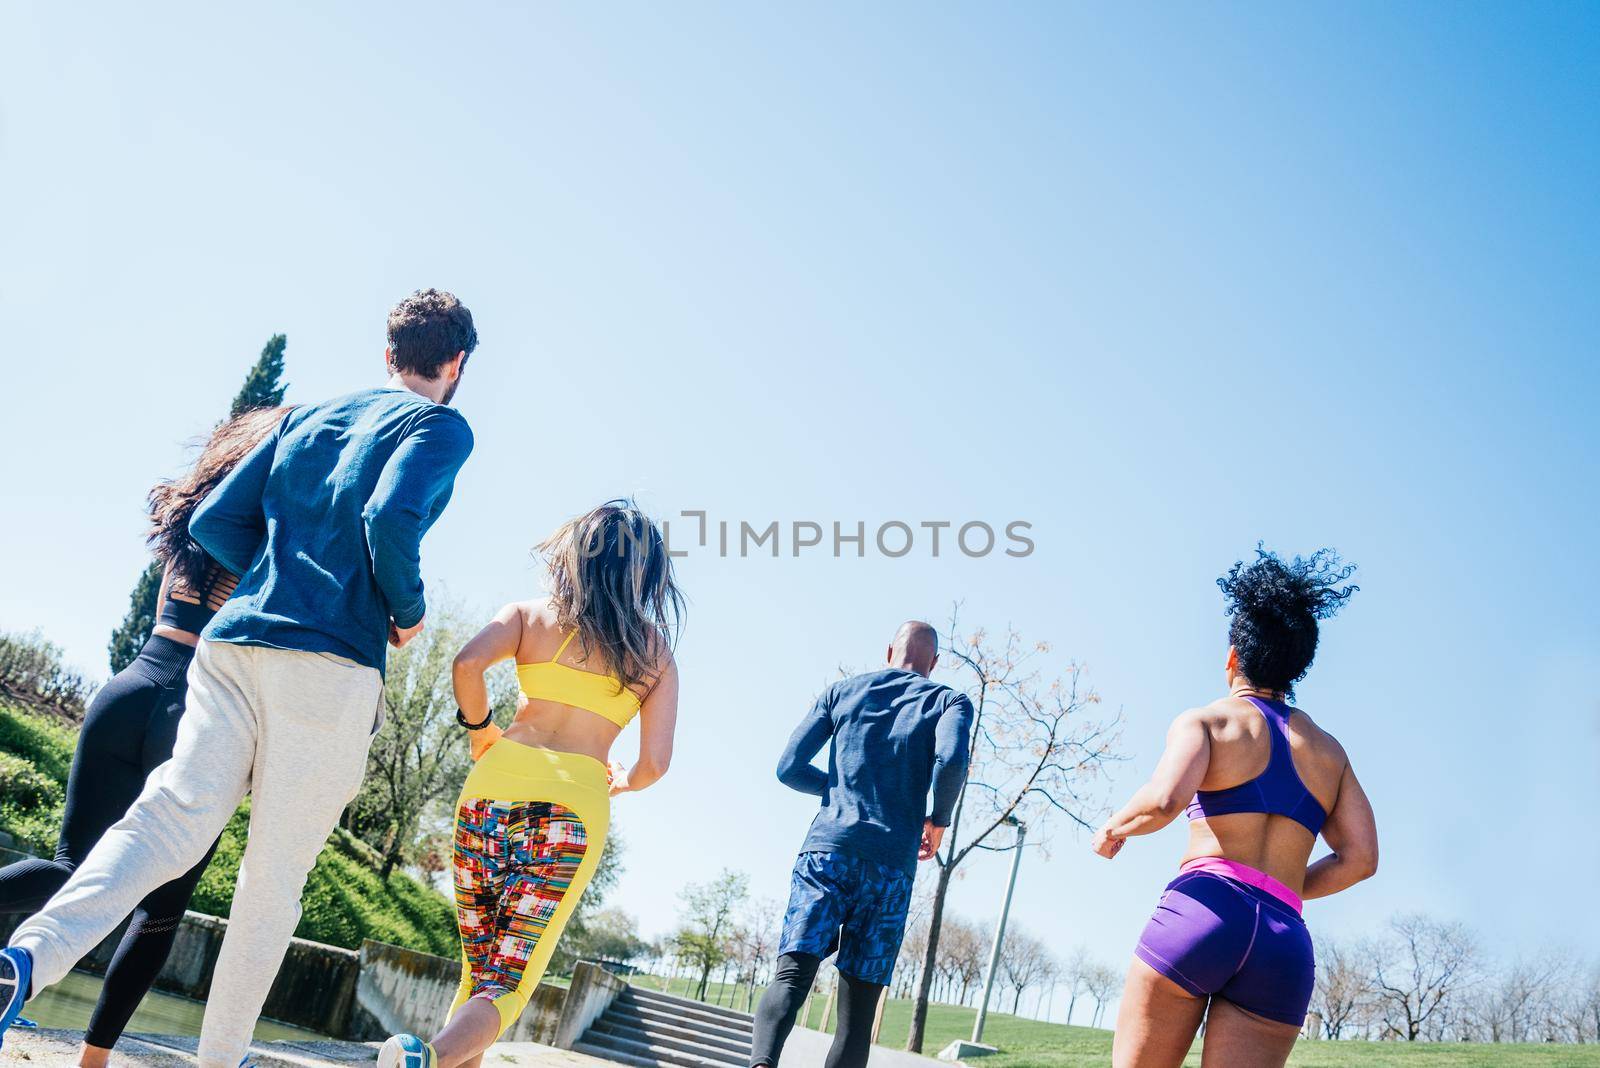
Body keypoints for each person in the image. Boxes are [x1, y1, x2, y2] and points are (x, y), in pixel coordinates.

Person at [1, 289, 480, 1067]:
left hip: (231, 649)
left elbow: (214, 521)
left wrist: (278, 565)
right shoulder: (439, 425)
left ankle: (26, 958)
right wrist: (407, 608)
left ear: (387, 355)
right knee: (269, 883)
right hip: (329, 663)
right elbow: (392, 517)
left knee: (160, 825)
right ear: (456, 364)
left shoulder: (304, 418)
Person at [0, 406, 285, 1066]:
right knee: (159, 909)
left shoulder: (191, 515)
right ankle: (93, 1060)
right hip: (198, 713)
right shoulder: (272, 538)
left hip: (129, 689)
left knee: (72, 867)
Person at [379, 500, 683, 1068]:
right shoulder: (654, 652)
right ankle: (425, 1059)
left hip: (492, 790)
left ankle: (430, 1058)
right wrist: (623, 782)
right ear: (645, 573)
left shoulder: (528, 614)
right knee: (508, 981)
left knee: (480, 969)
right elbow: (656, 764)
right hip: (572, 808)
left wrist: (480, 732)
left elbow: (467, 664)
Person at [1092, 547, 1378, 1068]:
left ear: (1232, 657)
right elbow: (1361, 859)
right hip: (1284, 943)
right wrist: (1287, 884)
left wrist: (1114, 827)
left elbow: (1164, 800)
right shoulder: (1331, 754)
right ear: (1298, 667)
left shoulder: (1207, 722)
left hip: (1203, 911)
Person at [749, 622, 974, 1068]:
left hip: (826, 854)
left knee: (792, 976)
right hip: (890, 866)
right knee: (859, 1010)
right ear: (934, 663)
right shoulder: (948, 700)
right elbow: (952, 761)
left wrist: (837, 788)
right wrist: (938, 820)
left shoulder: (842, 692)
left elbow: (789, 767)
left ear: (889, 651)